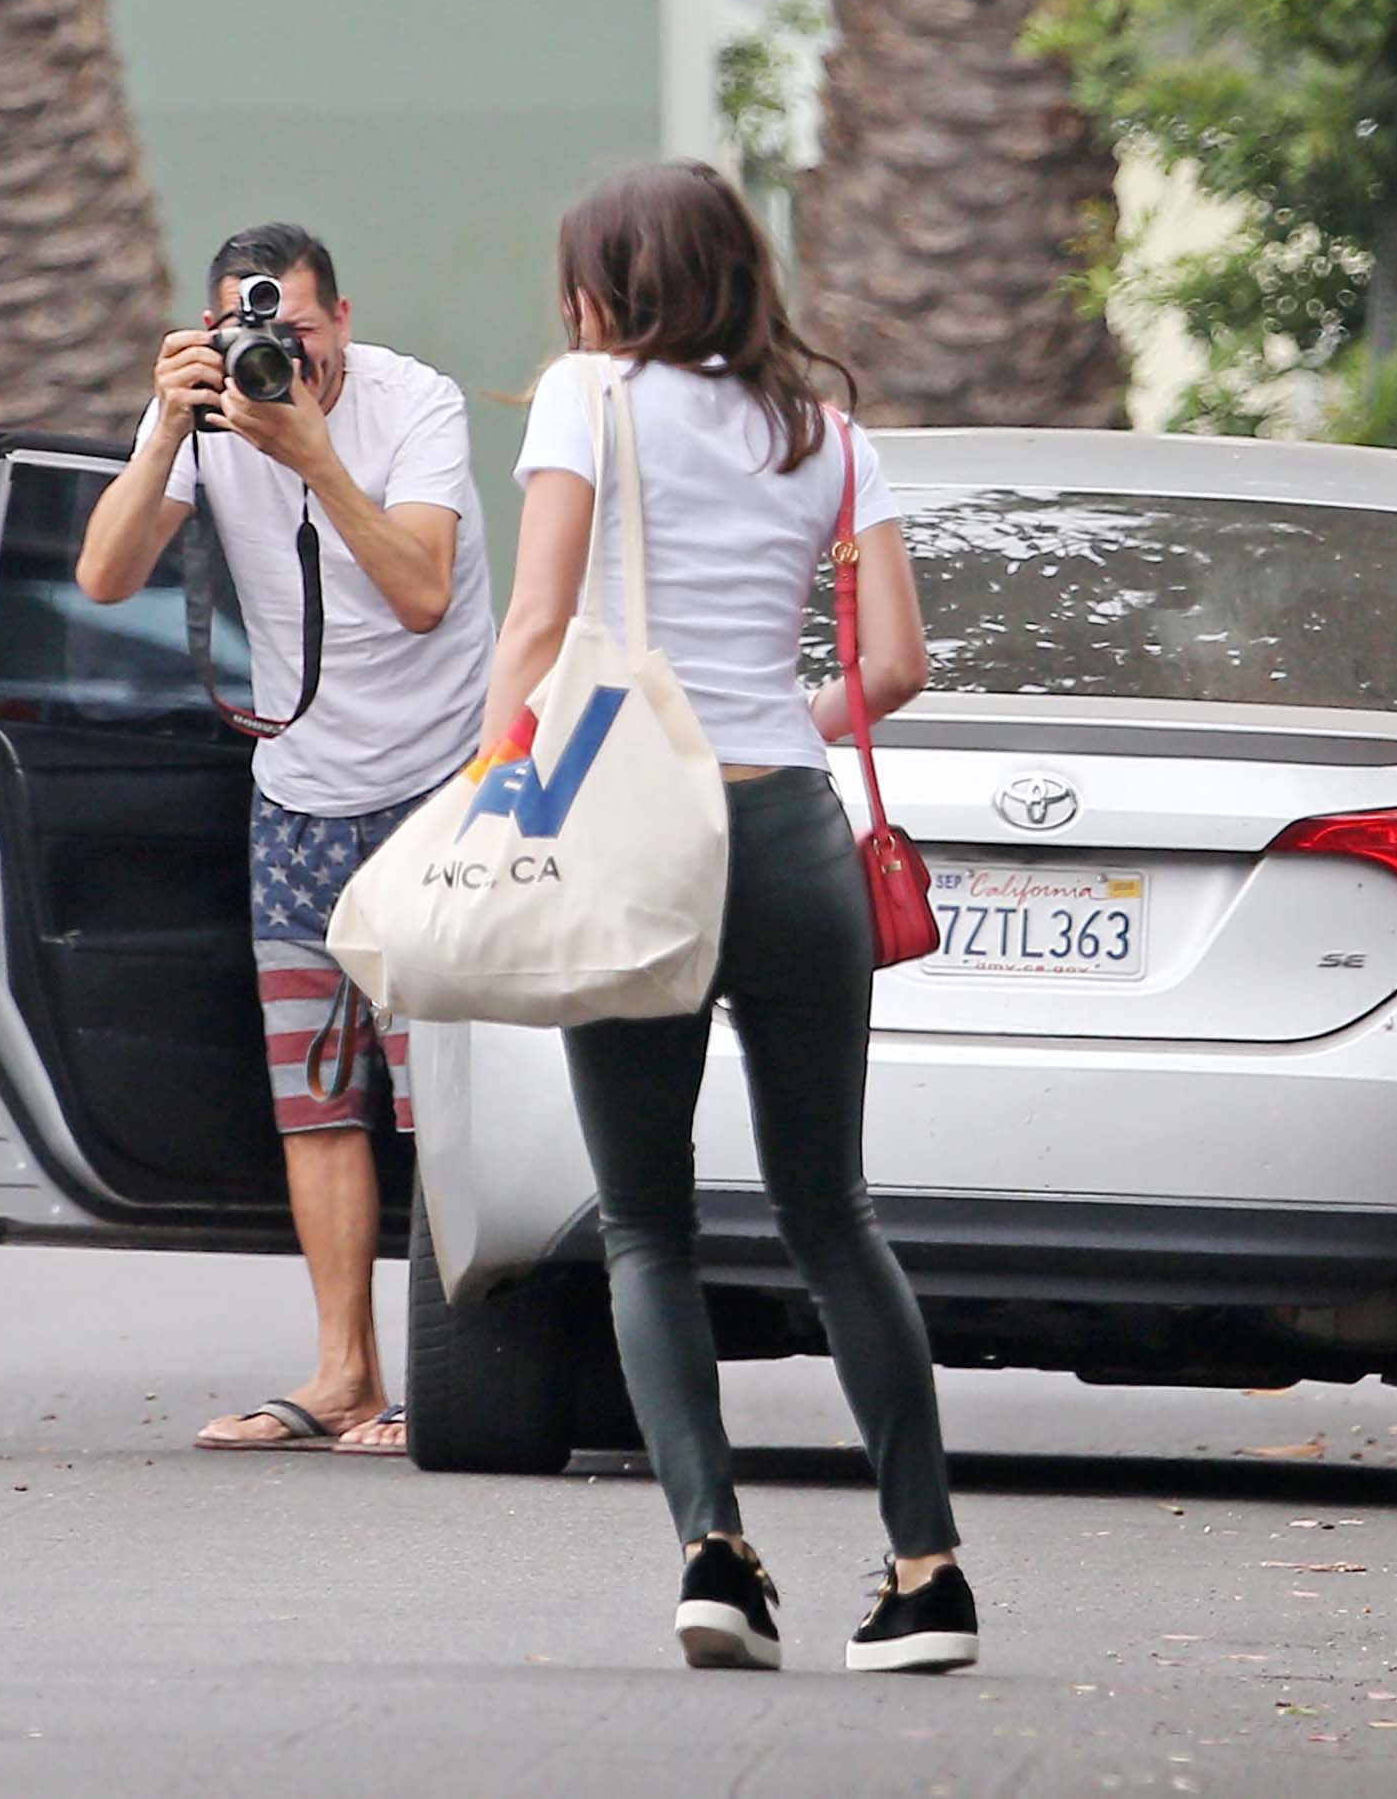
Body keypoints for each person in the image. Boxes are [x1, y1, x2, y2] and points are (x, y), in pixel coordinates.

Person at [484, 160, 970, 1673]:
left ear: (611, 290)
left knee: (646, 1225)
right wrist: (771, 715)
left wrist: (505, 801)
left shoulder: (589, 393)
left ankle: (717, 1558)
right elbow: (894, 668)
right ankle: (928, 1571)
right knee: (834, 1214)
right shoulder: (826, 433)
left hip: (639, 833)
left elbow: (541, 619)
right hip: (792, 836)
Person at [77, 222, 494, 1457]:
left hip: (436, 785)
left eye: (297, 331)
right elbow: (103, 576)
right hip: (299, 792)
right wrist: (164, 428)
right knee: (316, 1098)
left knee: (439, 1102)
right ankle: (342, 1373)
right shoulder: (209, 426)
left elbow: (421, 592)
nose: (278, 355)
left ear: (341, 321)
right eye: (249, 332)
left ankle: (444, 1373)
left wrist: (312, 456)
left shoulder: (416, 404)